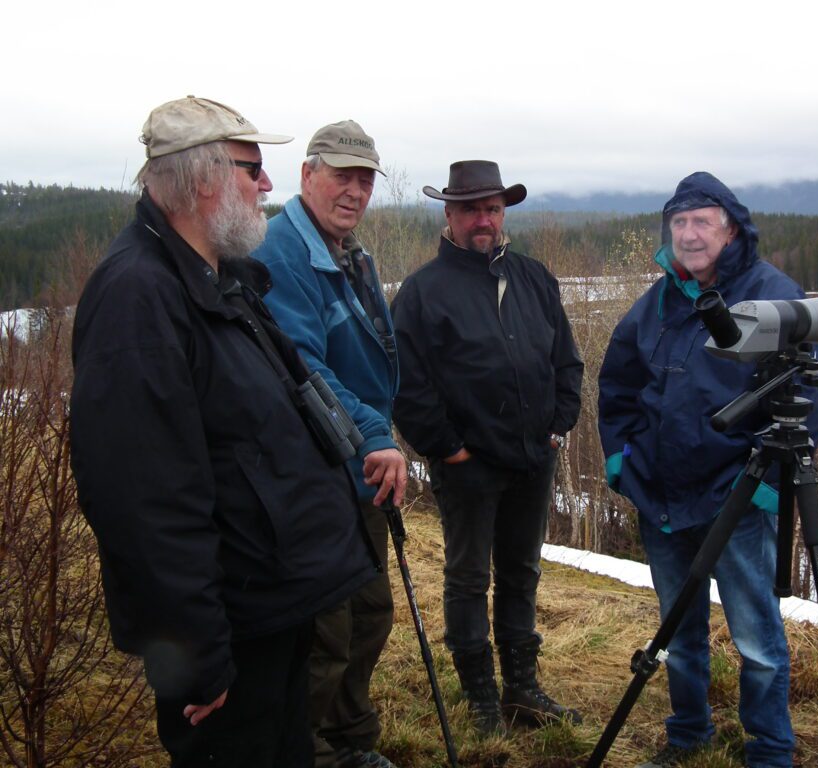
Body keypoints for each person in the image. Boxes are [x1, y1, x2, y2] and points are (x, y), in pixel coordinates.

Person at [70, 96, 377, 768]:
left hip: (272, 607)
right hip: (230, 634)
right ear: (204, 177)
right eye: (253, 169)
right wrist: (196, 652)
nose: (267, 185)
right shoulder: (138, 298)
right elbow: (142, 500)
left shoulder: (222, 281)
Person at [597, 172, 818, 768]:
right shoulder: (656, 304)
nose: (690, 234)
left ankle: (771, 751)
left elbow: (805, 395)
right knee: (679, 632)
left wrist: (769, 489)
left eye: (702, 222)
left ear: (730, 229)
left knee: (756, 637)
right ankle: (688, 734)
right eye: (679, 222)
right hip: (661, 496)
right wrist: (622, 460)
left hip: (737, 497)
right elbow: (617, 385)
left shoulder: (773, 294)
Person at [390, 161, 584, 735]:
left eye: (493, 208)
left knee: (522, 572)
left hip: (533, 459)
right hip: (467, 467)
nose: (484, 219)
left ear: (504, 214)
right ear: (449, 214)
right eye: (472, 208)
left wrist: (558, 426)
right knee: (469, 578)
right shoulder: (423, 293)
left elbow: (566, 362)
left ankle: (522, 689)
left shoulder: (534, 277)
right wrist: (448, 451)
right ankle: (480, 697)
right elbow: (406, 384)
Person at [252, 120, 404, 768]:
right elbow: (302, 365)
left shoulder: (348, 253)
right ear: (307, 173)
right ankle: (305, 750)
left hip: (361, 470)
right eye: (341, 174)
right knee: (329, 630)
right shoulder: (281, 251)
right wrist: (374, 433)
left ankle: (349, 740)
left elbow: (371, 361)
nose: (354, 189)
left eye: (365, 178)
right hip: (319, 469)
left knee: (370, 614)